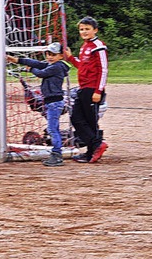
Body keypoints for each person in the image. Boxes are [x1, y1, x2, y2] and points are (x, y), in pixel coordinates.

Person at [7, 42, 71, 166]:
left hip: (54, 102)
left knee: (53, 129)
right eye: (48, 54)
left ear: (60, 56)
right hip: (51, 102)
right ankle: (56, 153)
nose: (49, 56)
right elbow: (36, 63)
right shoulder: (51, 64)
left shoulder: (57, 66)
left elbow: (41, 73)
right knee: (53, 129)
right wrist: (17, 60)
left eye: (53, 54)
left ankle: (57, 154)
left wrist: (31, 69)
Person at [64, 16, 109, 163]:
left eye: (87, 29)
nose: (84, 32)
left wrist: (98, 91)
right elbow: (82, 66)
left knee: (89, 121)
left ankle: (94, 148)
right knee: (77, 118)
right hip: (83, 88)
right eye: (81, 29)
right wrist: (71, 58)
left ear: (95, 30)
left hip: (92, 89)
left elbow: (103, 70)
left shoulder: (98, 46)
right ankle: (94, 147)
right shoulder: (85, 46)